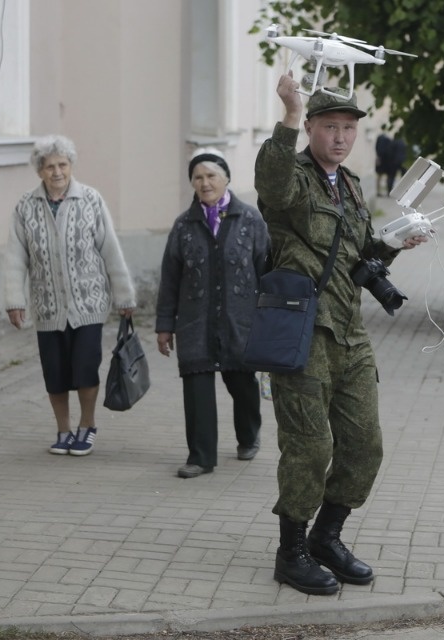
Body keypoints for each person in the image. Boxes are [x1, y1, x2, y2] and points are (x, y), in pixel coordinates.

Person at [254, 75, 428, 596]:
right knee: (309, 448)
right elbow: (270, 182)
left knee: (363, 447)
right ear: (310, 128)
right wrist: (287, 114)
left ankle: (328, 537)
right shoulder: (294, 178)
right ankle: (292, 551)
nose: (340, 137)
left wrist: (397, 244)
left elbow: (356, 256)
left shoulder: (349, 185)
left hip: (349, 334)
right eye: (330, 126)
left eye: (349, 128)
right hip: (302, 331)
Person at [3, 134, 136, 457]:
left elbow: (110, 250)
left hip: (88, 304)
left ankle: (86, 426)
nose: (57, 172)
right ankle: (63, 430)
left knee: (86, 367)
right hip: (48, 307)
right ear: (40, 171)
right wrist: (14, 300)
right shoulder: (26, 206)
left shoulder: (90, 199)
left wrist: (124, 296)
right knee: (56, 372)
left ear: (71, 166)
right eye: (49, 166)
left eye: (62, 165)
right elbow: (15, 257)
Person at [155, 148, 271, 479]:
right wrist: (165, 326)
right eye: (198, 177)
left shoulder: (250, 220)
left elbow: (266, 269)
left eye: (211, 176)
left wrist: (270, 320)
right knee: (197, 390)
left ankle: (248, 435)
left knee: (243, 385)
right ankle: (201, 456)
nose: (205, 183)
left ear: (227, 179)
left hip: (240, 321)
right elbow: (170, 280)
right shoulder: (184, 225)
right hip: (194, 323)